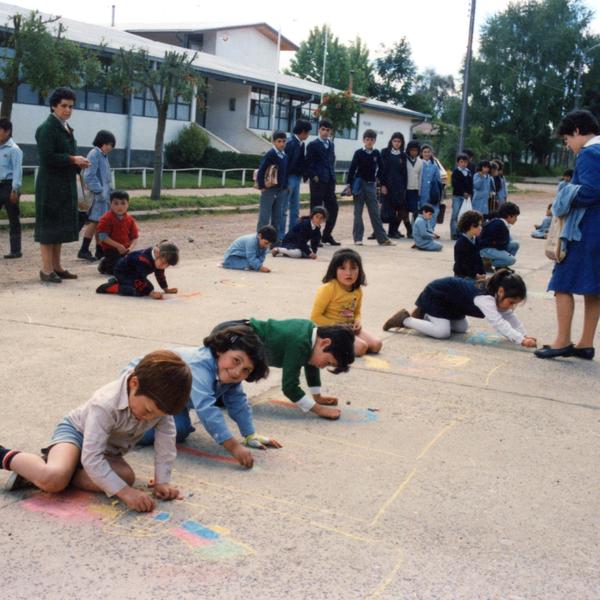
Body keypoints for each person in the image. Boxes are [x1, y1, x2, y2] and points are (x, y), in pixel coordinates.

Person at [1, 350, 192, 513]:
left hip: (106, 452)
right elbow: (92, 457)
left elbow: (166, 443)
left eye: (157, 415)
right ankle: (10, 457)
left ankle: (60, 469)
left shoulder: (159, 406)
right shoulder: (105, 403)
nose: (149, 418)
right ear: (134, 383)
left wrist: (162, 481)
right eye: (148, 410)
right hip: (76, 436)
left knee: (126, 478)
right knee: (54, 480)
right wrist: (125, 493)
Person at [135, 325, 280, 469]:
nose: (237, 372)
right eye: (236, 360)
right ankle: (119, 428)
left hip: (169, 398)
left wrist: (250, 434)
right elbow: (206, 409)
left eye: (246, 370)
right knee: (143, 434)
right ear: (220, 350)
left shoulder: (229, 374)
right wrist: (233, 447)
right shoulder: (199, 365)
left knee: (180, 430)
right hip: (142, 387)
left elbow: (238, 403)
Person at [535, 109, 600, 360]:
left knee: (562, 282)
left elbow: (592, 191)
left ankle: (562, 340)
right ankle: (585, 343)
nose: (568, 145)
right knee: (593, 289)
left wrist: (567, 193)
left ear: (576, 131)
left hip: (586, 230)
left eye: (567, 140)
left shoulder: (589, 154)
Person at [218, 318, 354, 420]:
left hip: (236, 330)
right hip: (232, 336)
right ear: (325, 342)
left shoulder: (311, 334)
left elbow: (311, 365)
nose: (323, 366)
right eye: (328, 362)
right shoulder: (299, 342)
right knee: (229, 377)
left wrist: (317, 396)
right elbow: (290, 387)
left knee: (242, 376)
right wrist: (319, 410)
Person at [382, 269, 537, 348]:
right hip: (437, 295)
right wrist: (521, 340)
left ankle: (428, 317)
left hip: (452, 305)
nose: (512, 307)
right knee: (443, 333)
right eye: (511, 302)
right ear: (501, 291)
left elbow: (510, 317)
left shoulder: (496, 294)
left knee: (462, 327)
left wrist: (524, 335)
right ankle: (405, 319)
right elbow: (498, 323)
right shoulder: (485, 299)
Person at [34, 87, 91, 283]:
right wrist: (73, 159)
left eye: (71, 106)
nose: (68, 110)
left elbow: (65, 156)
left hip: (63, 184)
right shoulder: (47, 128)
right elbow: (47, 157)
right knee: (48, 228)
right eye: (64, 106)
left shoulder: (64, 127)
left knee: (58, 227)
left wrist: (77, 162)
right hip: (50, 186)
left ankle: (57, 267)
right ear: (53, 106)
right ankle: (46, 270)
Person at [311, 248, 382, 357]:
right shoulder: (328, 288)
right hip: (330, 330)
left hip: (349, 328)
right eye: (342, 268)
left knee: (377, 345)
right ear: (334, 270)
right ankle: (323, 344)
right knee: (361, 348)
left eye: (353, 268)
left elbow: (357, 312)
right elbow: (315, 317)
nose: (348, 273)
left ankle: (346, 342)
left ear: (360, 270)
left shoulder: (357, 290)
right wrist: (337, 326)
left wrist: (357, 321)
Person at [348, 129, 393, 246]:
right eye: (367, 139)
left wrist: (382, 183)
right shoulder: (358, 153)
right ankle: (358, 238)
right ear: (363, 140)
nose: (369, 142)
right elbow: (352, 169)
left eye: (372, 140)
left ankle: (382, 239)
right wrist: (349, 185)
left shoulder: (376, 153)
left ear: (374, 141)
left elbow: (382, 169)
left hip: (371, 185)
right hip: (359, 185)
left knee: (375, 212)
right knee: (358, 212)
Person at [78, 130, 116, 262]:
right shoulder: (94, 154)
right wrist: (99, 191)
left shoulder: (102, 155)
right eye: (108, 144)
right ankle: (84, 250)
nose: (110, 147)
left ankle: (99, 250)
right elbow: (89, 175)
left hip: (103, 196)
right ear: (101, 142)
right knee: (95, 222)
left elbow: (105, 177)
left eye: (111, 145)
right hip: (97, 196)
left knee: (100, 223)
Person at [96, 240, 179, 299]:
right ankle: (111, 287)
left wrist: (165, 289)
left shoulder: (159, 259)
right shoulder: (143, 260)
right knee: (138, 292)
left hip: (135, 273)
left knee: (149, 287)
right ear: (157, 253)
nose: (164, 266)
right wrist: (150, 293)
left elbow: (160, 274)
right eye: (164, 263)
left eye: (167, 266)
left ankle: (118, 281)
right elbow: (137, 279)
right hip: (123, 273)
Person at [305, 119, 340, 245]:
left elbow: (331, 161)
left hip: (329, 181)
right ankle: (315, 237)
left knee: (334, 208)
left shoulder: (331, 144)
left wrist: (333, 176)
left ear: (331, 131)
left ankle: (327, 235)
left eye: (328, 130)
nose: (325, 132)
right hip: (318, 182)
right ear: (319, 129)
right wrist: (314, 175)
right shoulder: (313, 145)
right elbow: (308, 163)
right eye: (323, 129)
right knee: (316, 210)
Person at [96, 190, 139, 275]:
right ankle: (104, 263)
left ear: (128, 204)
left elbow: (135, 237)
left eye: (123, 203)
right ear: (110, 204)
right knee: (116, 271)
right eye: (116, 203)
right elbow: (102, 237)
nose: (120, 207)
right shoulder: (106, 219)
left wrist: (130, 248)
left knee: (136, 266)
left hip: (125, 249)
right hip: (111, 249)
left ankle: (107, 262)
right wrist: (118, 246)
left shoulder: (130, 220)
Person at [256, 131, 289, 240]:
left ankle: (274, 242)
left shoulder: (284, 156)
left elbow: (285, 172)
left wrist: (285, 186)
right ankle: (259, 240)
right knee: (264, 218)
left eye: (284, 141)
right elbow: (262, 170)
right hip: (269, 189)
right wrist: (262, 186)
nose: (282, 144)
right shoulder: (271, 154)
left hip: (280, 190)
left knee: (277, 218)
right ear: (274, 142)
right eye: (279, 141)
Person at [282, 120, 311, 235]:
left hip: (297, 178)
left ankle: (292, 235)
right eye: (308, 132)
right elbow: (285, 164)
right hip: (289, 178)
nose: (308, 135)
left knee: (295, 208)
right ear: (303, 132)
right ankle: (280, 236)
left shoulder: (300, 143)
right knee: (284, 208)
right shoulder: (290, 144)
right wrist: (284, 182)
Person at [0, 118, 23, 259]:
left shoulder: (14, 149)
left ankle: (16, 250)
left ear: (7, 131)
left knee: (13, 218)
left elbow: (17, 171)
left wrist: (15, 190)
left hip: (9, 186)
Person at [380, 132, 409, 238]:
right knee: (386, 211)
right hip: (387, 186)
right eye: (395, 141)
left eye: (399, 141)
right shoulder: (385, 152)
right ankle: (378, 231)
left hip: (399, 187)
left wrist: (404, 187)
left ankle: (392, 231)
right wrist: (383, 184)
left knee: (397, 210)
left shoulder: (403, 155)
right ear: (391, 141)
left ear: (402, 143)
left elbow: (404, 173)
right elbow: (382, 170)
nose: (397, 143)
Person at [479, 202, 520, 269]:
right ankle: (485, 263)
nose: (516, 219)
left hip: (493, 246)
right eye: (515, 216)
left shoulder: (502, 223)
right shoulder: (499, 225)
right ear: (509, 216)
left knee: (515, 244)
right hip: (486, 248)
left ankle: (501, 266)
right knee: (511, 260)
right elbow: (497, 244)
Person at [454, 210, 485, 279]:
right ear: (471, 226)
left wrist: (482, 273)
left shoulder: (476, 239)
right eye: (479, 225)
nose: (481, 228)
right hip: (463, 277)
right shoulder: (461, 243)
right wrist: (475, 275)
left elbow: (479, 259)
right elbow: (461, 266)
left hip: (474, 275)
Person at [418, 143, 443, 228]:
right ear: (421, 153)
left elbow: (439, 181)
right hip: (422, 193)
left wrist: (439, 194)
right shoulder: (419, 164)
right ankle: (419, 231)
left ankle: (430, 231)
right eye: (425, 152)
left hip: (433, 193)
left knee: (434, 212)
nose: (427, 154)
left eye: (428, 152)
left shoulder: (434, 166)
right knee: (421, 213)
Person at [450, 153, 473, 240]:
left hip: (466, 198)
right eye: (461, 162)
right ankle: (454, 233)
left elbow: (471, 185)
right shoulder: (456, 172)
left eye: (465, 162)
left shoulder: (469, 172)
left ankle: (462, 232)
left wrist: (469, 193)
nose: (463, 164)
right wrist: (463, 192)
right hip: (457, 196)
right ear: (458, 163)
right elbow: (455, 184)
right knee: (455, 215)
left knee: (463, 215)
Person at [405, 140, 422, 226]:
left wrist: (419, 190)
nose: (414, 152)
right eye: (412, 150)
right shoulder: (404, 160)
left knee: (415, 210)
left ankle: (414, 228)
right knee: (405, 211)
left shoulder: (420, 161)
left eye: (416, 150)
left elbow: (420, 177)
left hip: (415, 189)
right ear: (408, 150)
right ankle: (408, 229)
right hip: (405, 189)